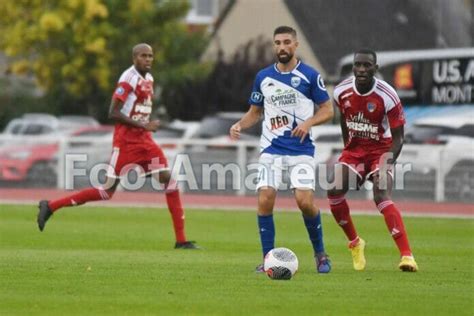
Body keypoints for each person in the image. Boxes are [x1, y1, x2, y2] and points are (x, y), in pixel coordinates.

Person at [37, 43, 199, 249]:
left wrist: (152, 123)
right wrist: (143, 124)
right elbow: (113, 112)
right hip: (126, 143)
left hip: (145, 142)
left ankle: (181, 240)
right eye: (143, 56)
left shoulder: (149, 79)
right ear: (134, 58)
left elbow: (139, 110)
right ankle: (50, 206)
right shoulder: (128, 78)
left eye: (150, 56)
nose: (148, 59)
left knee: (170, 182)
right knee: (106, 192)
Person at [229, 26, 334, 273]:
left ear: (296, 45)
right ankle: (268, 260)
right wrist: (239, 125)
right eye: (277, 43)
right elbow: (255, 113)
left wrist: (309, 123)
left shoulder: (309, 75)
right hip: (271, 149)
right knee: (265, 199)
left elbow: (328, 109)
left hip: (301, 150)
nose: (282, 47)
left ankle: (320, 254)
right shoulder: (263, 77)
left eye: (287, 42)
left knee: (304, 202)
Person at [328, 49, 418, 271]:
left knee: (380, 194)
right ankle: (355, 243)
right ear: (353, 67)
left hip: (381, 149)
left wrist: (386, 163)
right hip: (355, 151)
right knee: (333, 189)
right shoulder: (341, 91)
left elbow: (398, 138)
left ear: (375, 69)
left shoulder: (388, 95)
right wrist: (347, 149)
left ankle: (407, 256)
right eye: (358, 65)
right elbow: (344, 122)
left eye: (367, 65)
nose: (361, 69)